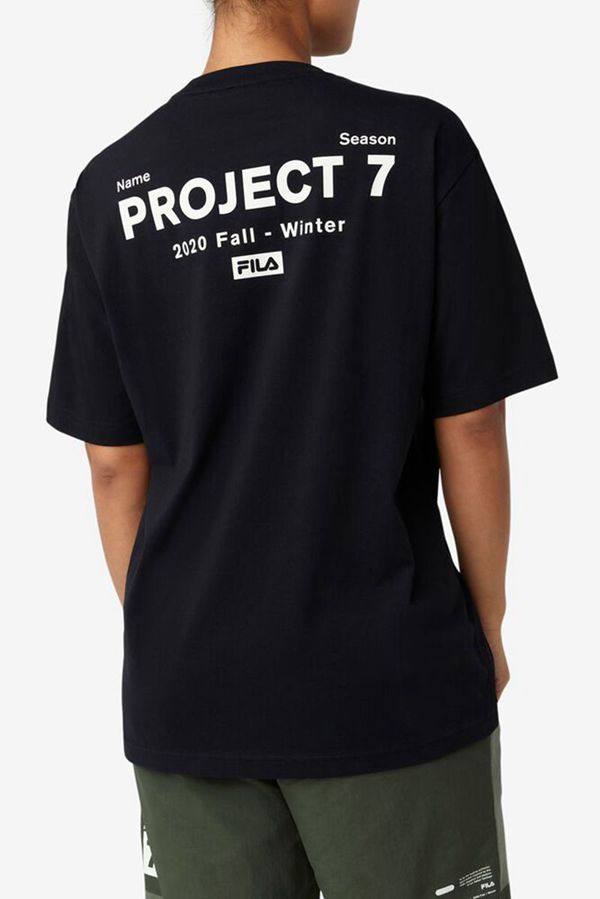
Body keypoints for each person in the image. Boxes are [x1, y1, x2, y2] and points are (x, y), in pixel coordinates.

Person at [47, 0, 557, 896]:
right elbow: (474, 423)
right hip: (391, 681)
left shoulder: (112, 185)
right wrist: (485, 626)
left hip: (191, 694)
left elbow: (114, 464)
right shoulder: (416, 144)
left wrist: (182, 639)